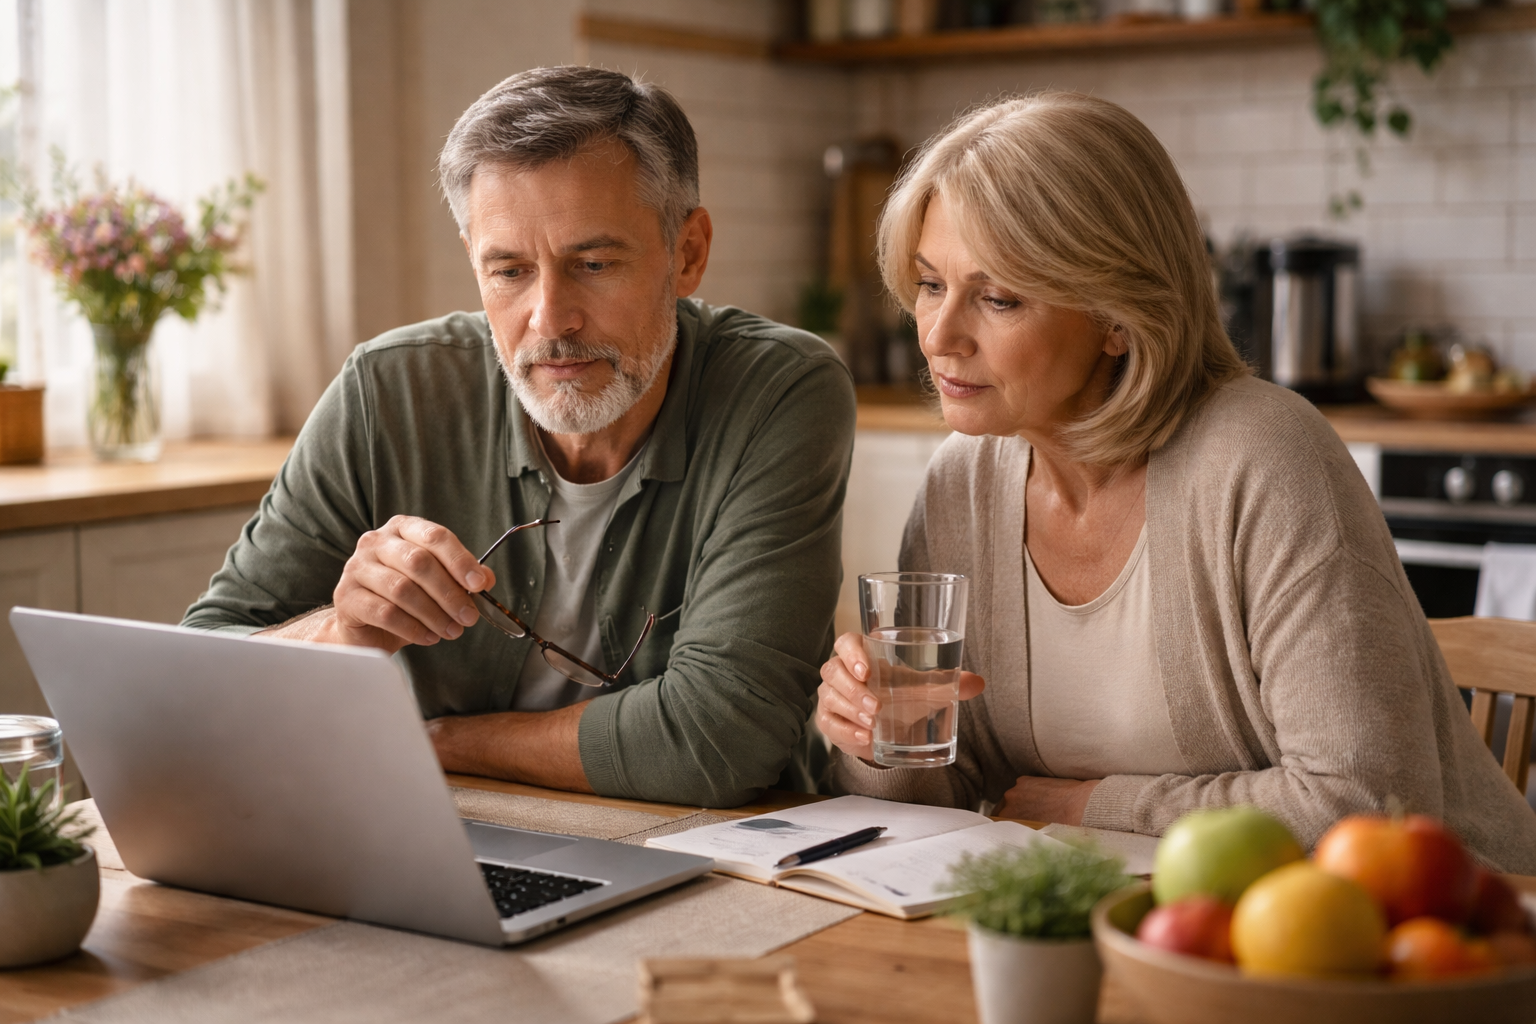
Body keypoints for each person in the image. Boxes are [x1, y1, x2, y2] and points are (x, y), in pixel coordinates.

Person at [814, 92, 1536, 872]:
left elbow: (1369, 802)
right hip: (1156, 926)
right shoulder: (964, 483)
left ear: (1118, 318)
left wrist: (1095, 807)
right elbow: (961, 796)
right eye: (929, 284)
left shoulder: (1264, 458)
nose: (938, 335)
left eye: (998, 298)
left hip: (1435, 940)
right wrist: (877, 738)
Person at [183, 66, 855, 808]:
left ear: (687, 252)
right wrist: (342, 633)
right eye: (508, 271)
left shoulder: (780, 389)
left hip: (718, 854)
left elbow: (720, 738)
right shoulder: (388, 391)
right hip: (436, 834)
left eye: (593, 265)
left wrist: (439, 741)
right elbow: (197, 677)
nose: (550, 319)